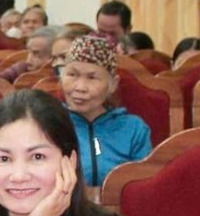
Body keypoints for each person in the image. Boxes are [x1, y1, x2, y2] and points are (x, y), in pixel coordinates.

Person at [62, 35, 152, 186]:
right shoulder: (49, 124)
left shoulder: (133, 128)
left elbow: (143, 185)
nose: (80, 87)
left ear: (113, 84)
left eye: (92, 78)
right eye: (72, 75)